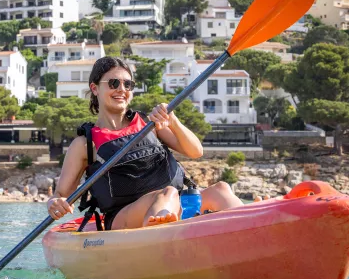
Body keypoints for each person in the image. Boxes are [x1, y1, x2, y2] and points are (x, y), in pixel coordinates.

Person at [47, 57, 244, 231]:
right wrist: (56, 203)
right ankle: (159, 234)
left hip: (177, 202)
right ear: (94, 88)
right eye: (114, 83)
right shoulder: (84, 145)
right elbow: (61, 195)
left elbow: (195, 151)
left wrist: (173, 121)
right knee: (166, 195)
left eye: (128, 84)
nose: (121, 90)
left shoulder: (149, 124)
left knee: (221, 190)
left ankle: (251, 222)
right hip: (124, 217)